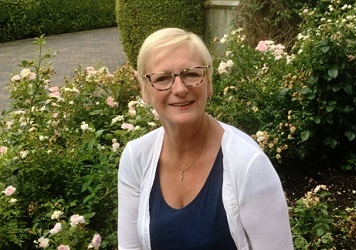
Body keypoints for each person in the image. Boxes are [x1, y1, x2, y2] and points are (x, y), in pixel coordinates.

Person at [118, 27, 294, 250]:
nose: (180, 89)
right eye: (162, 78)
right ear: (145, 91)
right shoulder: (136, 158)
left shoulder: (248, 164)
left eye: (191, 74)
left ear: (208, 83)